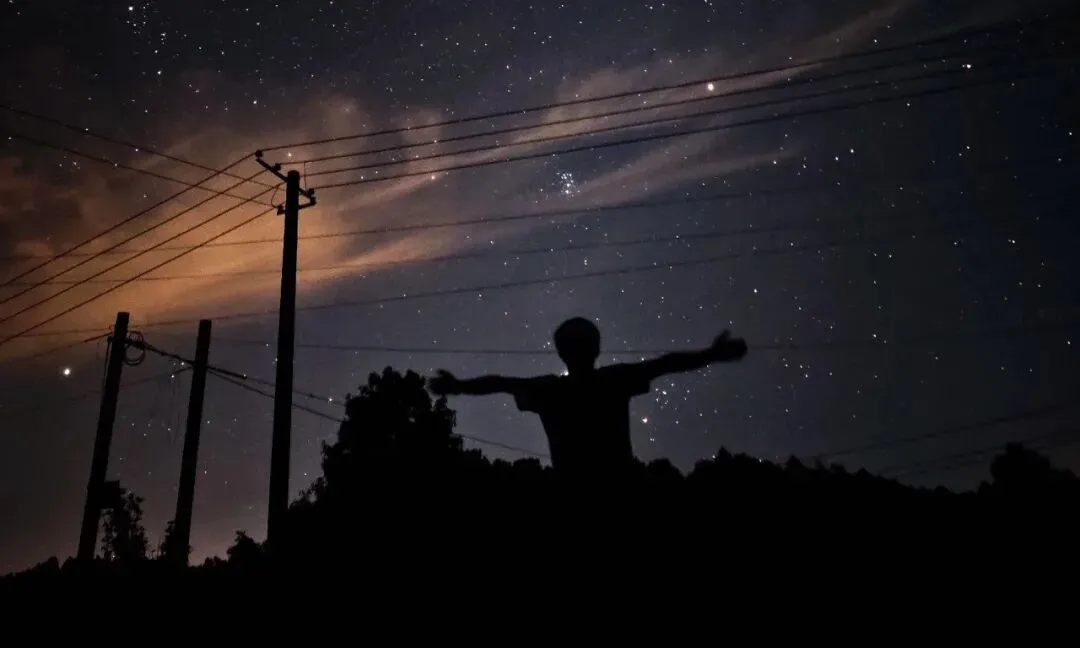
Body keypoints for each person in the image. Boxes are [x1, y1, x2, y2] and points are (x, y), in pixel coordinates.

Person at [428, 317, 747, 478]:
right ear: (596, 348)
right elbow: (664, 364)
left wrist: (459, 386)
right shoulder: (613, 380)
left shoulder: (551, 390)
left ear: (561, 352)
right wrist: (710, 355)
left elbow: (500, 383)